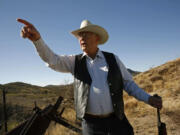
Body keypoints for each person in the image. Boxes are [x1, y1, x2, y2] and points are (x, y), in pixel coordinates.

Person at [17, 18, 162, 135]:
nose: (82, 38)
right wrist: (37, 40)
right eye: (80, 35)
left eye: (86, 34)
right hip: (91, 125)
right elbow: (52, 60)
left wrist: (148, 98)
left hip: (117, 121)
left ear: (97, 38)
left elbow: (129, 85)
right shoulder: (75, 62)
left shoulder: (113, 59)